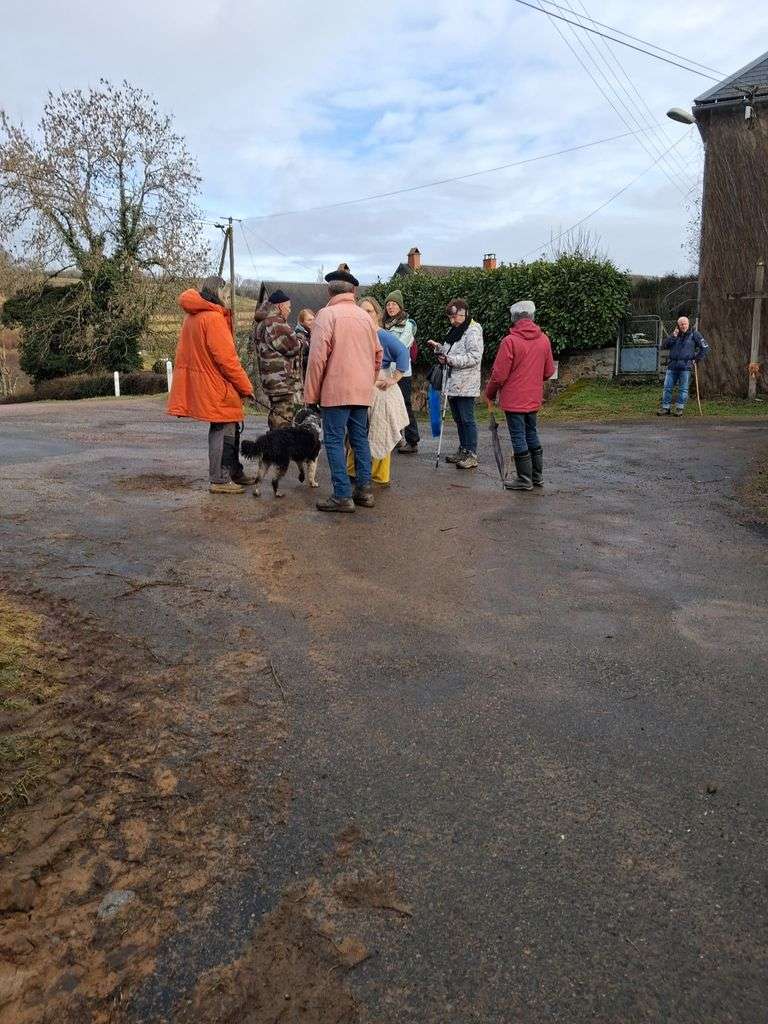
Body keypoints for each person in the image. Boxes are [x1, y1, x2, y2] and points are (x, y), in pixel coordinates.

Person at [167, 275, 256, 495]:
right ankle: (220, 479)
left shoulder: (193, 316)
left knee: (227, 427)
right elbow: (227, 360)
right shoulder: (213, 318)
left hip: (207, 382)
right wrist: (246, 387)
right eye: (227, 294)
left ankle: (233, 472)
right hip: (217, 385)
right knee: (223, 431)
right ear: (218, 292)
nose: (229, 298)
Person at [304, 269, 383, 513]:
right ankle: (364, 491)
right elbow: (378, 355)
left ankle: (342, 495)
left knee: (335, 441)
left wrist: (311, 395)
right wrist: (367, 382)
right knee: (359, 439)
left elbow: (317, 359)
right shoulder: (365, 318)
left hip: (336, 391)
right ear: (354, 291)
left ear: (329, 290)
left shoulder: (326, 315)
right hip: (361, 392)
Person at [485, 300, 555, 491]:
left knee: (518, 435)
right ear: (532, 316)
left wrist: (489, 393)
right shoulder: (544, 339)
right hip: (533, 398)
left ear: (514, 318)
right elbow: (549, 371)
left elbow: (499, 375)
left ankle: (524, 479)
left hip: (514, 400)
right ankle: (536, 476)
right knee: (531, 432)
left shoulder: (509, 341)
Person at [346, 296, 410, 486]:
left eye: (369, 311)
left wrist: (394, 378)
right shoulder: (354, 333)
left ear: (377, 314)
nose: (365, 314)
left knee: (380, 431)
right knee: (356, 431)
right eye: (361, 311)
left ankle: (379, 476)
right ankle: (353, 470)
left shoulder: (382, 335)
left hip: (379, 388)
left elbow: (402, 352)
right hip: (358, 386)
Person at [426, 299, 484, 470]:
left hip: (466, 384)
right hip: (452, 382)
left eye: (455, 317)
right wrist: (438, 348)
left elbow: (474, 357)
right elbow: (449, 351)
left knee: (467, 419)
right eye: (450, 317)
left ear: (464, 313)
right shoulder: (455, 330)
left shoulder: (473, 330)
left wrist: (450, 360)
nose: (452, 321)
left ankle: (472, 454)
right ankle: (463, 450)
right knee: (459, 419)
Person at [253, 289, 303, 429]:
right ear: (280, 306)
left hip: (270, 380)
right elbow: (293, 347)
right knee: (283, 421)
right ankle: (279, 442)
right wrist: (302, 340)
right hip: (283, 382)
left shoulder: (262, 323)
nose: (290, 310)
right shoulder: (276, 324)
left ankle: (273, 440)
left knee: (276, 415)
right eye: (288, 307)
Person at [383, 289, 420, 454]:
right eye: (388, 304)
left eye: (394, 304)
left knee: (405, 405)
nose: (390, 307)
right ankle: (396, 438)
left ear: (400, 306)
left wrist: (385, 349)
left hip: (402, 373)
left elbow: (401, 345)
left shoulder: (408, 324)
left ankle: (412, 440)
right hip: (386, 372)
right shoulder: (383, 324)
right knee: (388, 406)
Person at [657, 316, 707, 416]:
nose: (683, 326)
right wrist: (673, 336)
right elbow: (664, 345)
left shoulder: (695, 334)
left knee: (683, 389)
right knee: (667, 388)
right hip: (672, 366)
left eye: (685, 324)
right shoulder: (675, 334)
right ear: (678, 325)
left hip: (685, 366)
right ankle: (665, 408)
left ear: (688, 324)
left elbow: (705, 347)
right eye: (681, 324)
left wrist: (696, 359)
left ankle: (679, 408)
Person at [295, 308, 315, 387]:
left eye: (313, 319)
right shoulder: (299, 336)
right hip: (303, 376)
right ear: (302, 322)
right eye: (309, 320)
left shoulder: (311, 333)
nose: (312, 322)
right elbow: (300, 358)